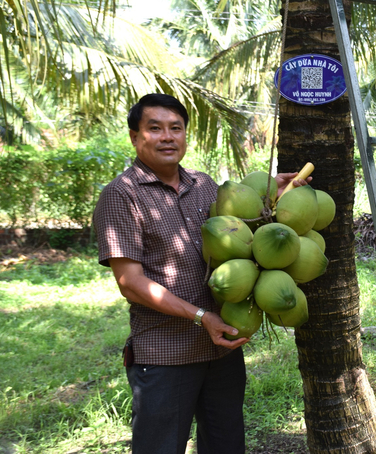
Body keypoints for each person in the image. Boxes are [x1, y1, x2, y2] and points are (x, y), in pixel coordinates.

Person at [93, 93, 308, 454]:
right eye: (155, 128)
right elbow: (130, 283)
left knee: (226, 446)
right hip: (165, 354)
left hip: (220, 351)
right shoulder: (121, 195)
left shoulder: (204, 184)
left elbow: (240, 232)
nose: (167, 137)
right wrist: (200, 316)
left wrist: (276, 194)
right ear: (134, 137)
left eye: (175, 128)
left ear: (185, 135)